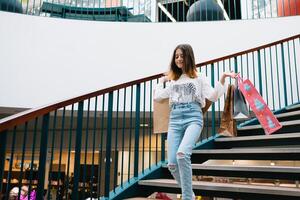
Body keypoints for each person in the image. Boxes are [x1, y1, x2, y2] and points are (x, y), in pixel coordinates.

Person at [153, 44, 237, 200]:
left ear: (189, 57)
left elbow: (212, 96)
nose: (178, 59)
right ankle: (189, 193)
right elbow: (157, 97)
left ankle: (187, 197)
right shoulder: (173, 81)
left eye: (182, 56)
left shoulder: (199, 77)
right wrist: (161, 81)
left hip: (193, 117)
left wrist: (223, 78)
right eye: (176, 56)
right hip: (175, 120)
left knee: (182, 155)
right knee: (172, 164)